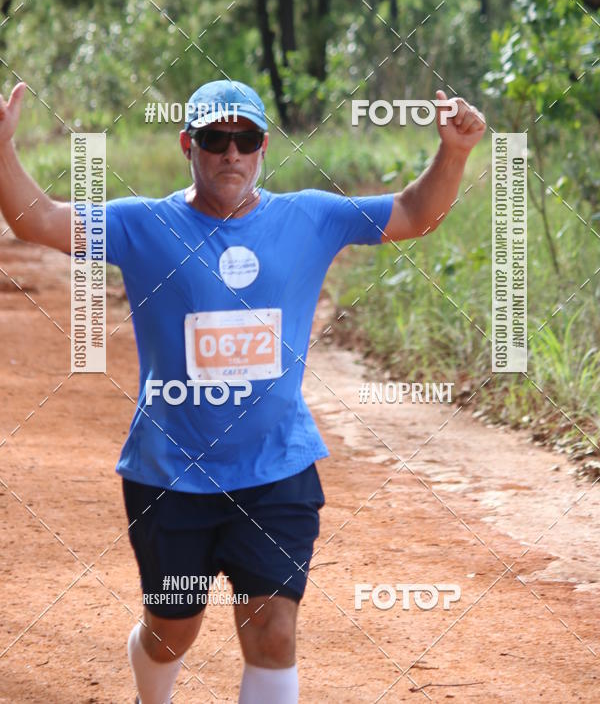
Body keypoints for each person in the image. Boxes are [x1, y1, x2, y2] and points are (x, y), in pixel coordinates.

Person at [0, 78, 485, 703]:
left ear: (263, 148)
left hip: (276, 467)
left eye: (245, 139)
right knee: (173, 629)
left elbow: (417, 215)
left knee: (273, 632)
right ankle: (155, 691)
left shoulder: (310, 217)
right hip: (169, 474)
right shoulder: (143, 226)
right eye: (214, 138)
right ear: (188, 145)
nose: (231, 152)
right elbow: (35, 222)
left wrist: (454, 152)